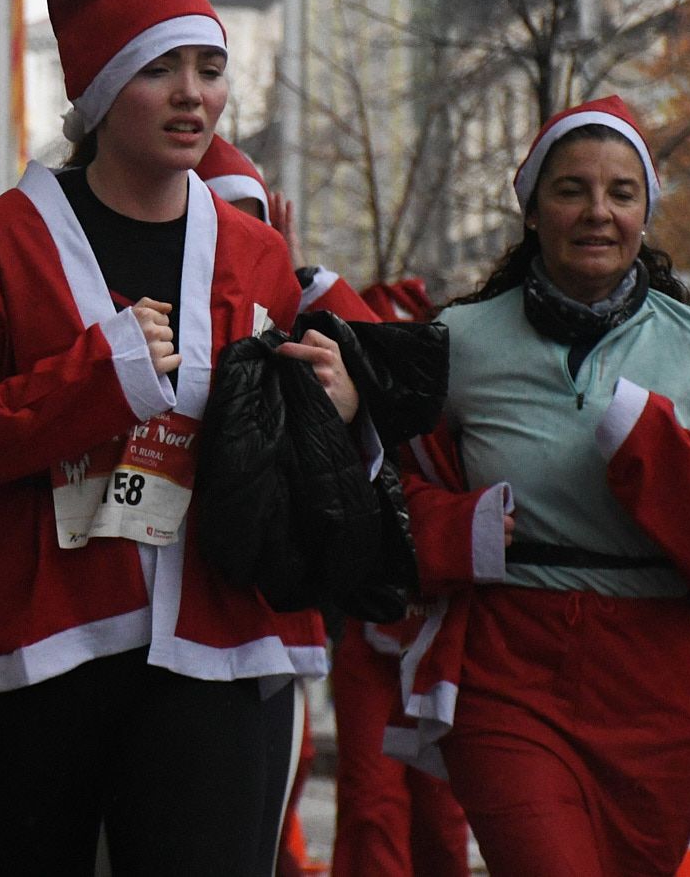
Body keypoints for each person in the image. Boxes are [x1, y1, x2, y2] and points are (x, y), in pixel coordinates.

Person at [0, 0, 359, 876]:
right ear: (106, 91)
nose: (193, 95)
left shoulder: (257, 251)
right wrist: (95, 376)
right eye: (160, 69)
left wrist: (336, 409)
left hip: (215, 641)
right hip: (40, 649)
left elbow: (285, 449)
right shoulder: (6, 239)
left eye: (210, 68)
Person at [398, 96, 690, 877]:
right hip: (509, 662)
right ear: (533, 209)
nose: (597, 213)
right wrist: (461, 526)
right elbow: (394, 495)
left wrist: (654, 451)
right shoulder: (457, 340)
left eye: (621, 192)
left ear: (646, 212)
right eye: (571, 189)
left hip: (653, 675)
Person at [196, 134, 466, 877]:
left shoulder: (308, 313)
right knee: (368, 802)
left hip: (346, 621)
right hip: (230, 629)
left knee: (432, 812)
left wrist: (286, 277)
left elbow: (403, 429)